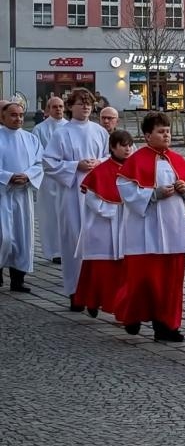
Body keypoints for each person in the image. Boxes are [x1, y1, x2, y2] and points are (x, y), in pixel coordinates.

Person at [116, 112, 185, 341]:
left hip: (173, 231)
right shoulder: (135, 161)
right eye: (161, 131)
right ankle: (132, 316)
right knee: (143, 281)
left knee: (171, 283)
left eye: (168, 131)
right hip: (145, 231)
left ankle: (166, 326)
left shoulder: (177, 160)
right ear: (147, 135)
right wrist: (152, 194)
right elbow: (125, 189)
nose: (166, 135)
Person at [42, 89, 108, 311]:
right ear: (71, 107)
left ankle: (95, 292)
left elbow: (110, 157)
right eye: (81, 103)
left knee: (97, 242)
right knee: (73, 242)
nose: (86, 107)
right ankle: (75, 292)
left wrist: (99, 163)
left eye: (89, 103)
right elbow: (49, 162)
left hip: (97, 192)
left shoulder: (99, 131)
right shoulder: (62, 133)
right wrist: (74, 166)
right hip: (72, 193)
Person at [72, 129, 134, 318]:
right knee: (99, 269)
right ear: (113, 147)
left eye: (130, 145)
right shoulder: (101, 170)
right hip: (103, 225)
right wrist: (113, 209)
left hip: (125, 223)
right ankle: (92, 300)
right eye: (123, 145)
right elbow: (91, 199)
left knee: (121, 268)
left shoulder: (133, 168)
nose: (128, 149)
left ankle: (114, 303)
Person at [0, 100, 44, 293]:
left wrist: (27, 176)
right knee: (4, 236)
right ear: (2, 117)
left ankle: (18, 279)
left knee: (22, 235)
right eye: (13, 115)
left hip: (23, 194)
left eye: (20, 115)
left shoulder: (30, 138)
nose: (18, 118)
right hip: (3, 194)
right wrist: (8, 177)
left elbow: (39, 163)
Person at [32, 95, 65, 264]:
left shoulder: (69, 127)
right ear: (48, 110)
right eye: (54, 107)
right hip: (49, 178)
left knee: (66, 215)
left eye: (60, 106)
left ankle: (68, 247)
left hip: (67, 178)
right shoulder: (40, 129)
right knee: (51, 216)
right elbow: (39, 154)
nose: (58, 109)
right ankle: (54, 250)